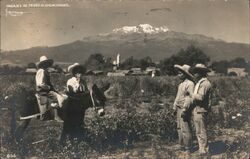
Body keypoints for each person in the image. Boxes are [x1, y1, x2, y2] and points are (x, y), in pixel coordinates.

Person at [173, 64, 194, 154]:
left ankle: (188, 147)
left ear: (185, 74)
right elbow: (178, 97)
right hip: (178, 107)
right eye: (178, 73)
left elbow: (189, 98)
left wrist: (185, 109)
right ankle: (182, 145)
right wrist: (174, 106)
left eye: (180, 73)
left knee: (185, 127)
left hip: (184, 108)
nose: (179, 75)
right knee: (179, 127)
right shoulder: (181, 84)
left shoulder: (190, 84)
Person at [191, 63, 212, 156]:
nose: (194, 74)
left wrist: (191, 94)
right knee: (199, 131)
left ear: (201, 73)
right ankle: (202, 149)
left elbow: (200, 97)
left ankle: (204, 150)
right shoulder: (200, 83)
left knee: (201, 131)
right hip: (198, 109)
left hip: (201, 109)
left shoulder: (205, 84)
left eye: (196, 72)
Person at [35, 55, 62, 122]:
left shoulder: (46, 71)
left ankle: (53, 115)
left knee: (55, 95)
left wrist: (54, 90)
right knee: (54, 98)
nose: (46, 64)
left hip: (46, 90)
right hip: (42, 91)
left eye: (47, 63)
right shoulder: (41, 71)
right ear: (42, 64)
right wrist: (48, 88)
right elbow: (40, 84)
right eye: (44, 63)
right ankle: (53, 116)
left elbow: (49, 83)